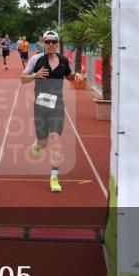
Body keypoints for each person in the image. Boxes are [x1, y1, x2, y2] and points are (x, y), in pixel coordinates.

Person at [21, 30, 83, 193]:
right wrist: (35, 75)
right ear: (43, 43)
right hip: (40, 105)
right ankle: (38, 143)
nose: (50, 45)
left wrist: (76, 75)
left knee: (55, 138)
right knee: (43, 143)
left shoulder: (63, 60)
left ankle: (54, 177)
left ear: (57, 43)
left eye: (53, 42)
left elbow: (68, 75)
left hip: (58, 105)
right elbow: (22, 79)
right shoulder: (36, 59)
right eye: (47, 42)